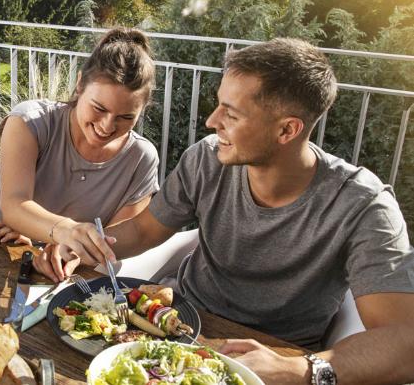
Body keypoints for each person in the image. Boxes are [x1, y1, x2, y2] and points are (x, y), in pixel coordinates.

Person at [34, 38, 414, 384]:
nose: (211, 121)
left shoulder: (364, 206)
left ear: (287, 130)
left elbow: (405, 343)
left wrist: (298, 368)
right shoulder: (206, 159)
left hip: (278, 357)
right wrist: (84, 241)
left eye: (231, 114)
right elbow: (147, 230)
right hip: (182, 329)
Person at [0, 28, 159, 270]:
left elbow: (112, 242)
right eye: (99, 108)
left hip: (54, 260)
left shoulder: (141, 159)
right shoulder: (29, 121)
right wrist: (58, 234)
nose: (107, 126)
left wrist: (65, 252)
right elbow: (13, 206)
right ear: (80, 84)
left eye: (125, 117)